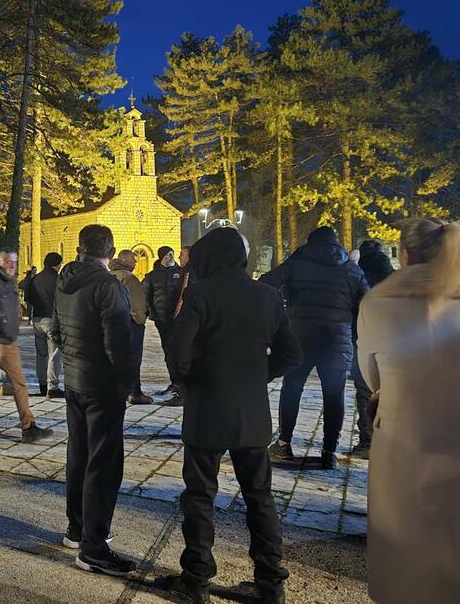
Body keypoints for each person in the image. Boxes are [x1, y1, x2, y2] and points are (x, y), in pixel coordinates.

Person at [163, 228, 302, 604]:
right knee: (260, 496)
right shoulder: (267, 295)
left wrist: (189, 381)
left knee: (200, 495)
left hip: (207, 408)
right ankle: (270, 582)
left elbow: (177, 352)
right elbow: (291, 354)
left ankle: (196, 579)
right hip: (251, 412)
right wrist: (258, 375)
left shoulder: (200, 294)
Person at [356, 218, 460, 604]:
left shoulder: (379, 301)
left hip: (401, 434)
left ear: (405, 253)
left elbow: (371, 375)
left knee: (402, 542)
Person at [52, 224, 136, 577]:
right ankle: (94, 547)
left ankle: (77, 528)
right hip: (101, 385)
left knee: (79, 455)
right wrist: (126, 383)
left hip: (75, 379)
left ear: (80, 248)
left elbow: (56, 329)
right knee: (103, 464)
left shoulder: (64, 280)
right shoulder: (108, 286)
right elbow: (118, 343)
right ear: (111, 252)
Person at [261, 227, 368, 469]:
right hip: (337, 339)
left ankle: (284, 443)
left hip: (300, 335)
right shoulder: (351, 268)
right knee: (334, 394)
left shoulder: (297, 262)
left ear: (310, 242)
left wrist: (280, 312)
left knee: (292, 387)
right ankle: (329, 451)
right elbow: (366, 302)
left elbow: (266, 282)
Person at [0, 248, 52, 443]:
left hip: (9, 341)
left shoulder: (8, 281)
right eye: (8, 261)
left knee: (20, 383)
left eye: (15, 261)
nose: (13, 265)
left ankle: (29, 426)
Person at [347, 238, 395, 459]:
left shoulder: (358, 277)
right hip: (393, 342)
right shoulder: (395, 278)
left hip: (364, 341)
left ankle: (367, 441)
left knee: (365, 391)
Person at [109, 249, 152, 405]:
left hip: (112, 323)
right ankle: (134, 392)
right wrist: (140, 320)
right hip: (130, 323)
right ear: (124, 260)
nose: (135, 262)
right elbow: (137, 304)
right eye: (133, 259)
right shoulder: (129, 278)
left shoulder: (109, 275)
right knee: (133, 358)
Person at [145, 246, 184, 406]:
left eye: (172, 254)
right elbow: (147, 296)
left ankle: (180, 384)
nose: (170, 257)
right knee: (168, 351)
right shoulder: (153, 276)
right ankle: (174, 382)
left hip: (179, 319)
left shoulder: (181, 273)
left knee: (178, 352)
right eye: (167, 255)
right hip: (162, 319)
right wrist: (152, 314)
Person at [28, 252, 64, 397]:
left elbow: (29, 298)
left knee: (41, 355)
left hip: (37, 318)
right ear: (57, 264)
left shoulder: (36, 278)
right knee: (54, 354)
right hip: (52, 319)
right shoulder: (57, 279)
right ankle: (52, 387)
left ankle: (42, 385)